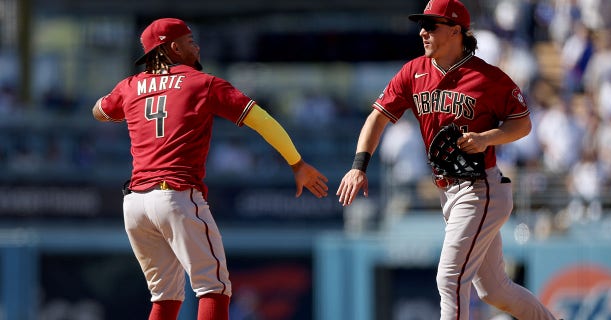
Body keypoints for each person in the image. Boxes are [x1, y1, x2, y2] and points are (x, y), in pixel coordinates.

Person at [92, 18, 329, 320]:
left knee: (164, 297)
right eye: (190, 41)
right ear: (174, 47)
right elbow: (262, 120)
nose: (197, 46)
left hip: (135, 204)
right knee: (214, 287)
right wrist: (297, 163)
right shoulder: (202, 83)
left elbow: (99, 111)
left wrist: (131, 98)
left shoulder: (129, 86)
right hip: (174, 195)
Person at [336, 1, 559, 319]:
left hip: (481, 189)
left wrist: (486, 138)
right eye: (422, 25)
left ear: (456, 31)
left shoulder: (487, 78)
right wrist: (359, 166)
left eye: (432, 25)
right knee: (495, 291)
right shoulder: (413, 72)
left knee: (450, 278)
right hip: (448, 191)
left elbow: (522, 123)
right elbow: (377, 118)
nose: (423, 32)